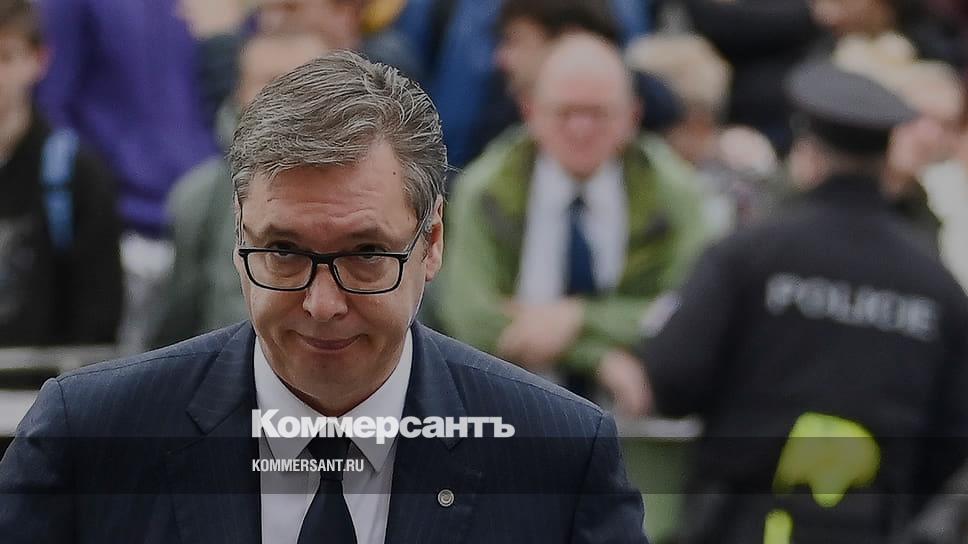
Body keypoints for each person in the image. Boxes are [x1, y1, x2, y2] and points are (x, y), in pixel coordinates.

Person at [0, 50, 648, 543]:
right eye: (283, 252)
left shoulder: (556, 456)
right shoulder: (89, 439)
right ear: (238, 237)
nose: (322, 303)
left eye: (366, 255)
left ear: (432, 243)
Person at [633, 61, 968, 543]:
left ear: (808, 152)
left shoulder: (747, 256)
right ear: (885, 158)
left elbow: (672, 376)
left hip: (738, 522)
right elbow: (953, 438)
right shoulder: (937, 286)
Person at [439, 34, 710, 415]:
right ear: (530, 111)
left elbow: (688, 313)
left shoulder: (674, 194)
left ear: (632, 116)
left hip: (637, 412)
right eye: (564, 112)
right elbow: (470, 318)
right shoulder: (486, 189)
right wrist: (598, 357)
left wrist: (576, 317)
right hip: (511, 406)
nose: (580, 129)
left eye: (598, 114)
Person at [149, 32, 329, 348]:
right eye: (271, 81)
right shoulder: (198, 198)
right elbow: (177, 319)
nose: (288, 99)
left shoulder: (380, 193)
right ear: (238, 93)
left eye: (303, 82)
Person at [0, 0, 122, 347]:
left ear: (38, 59)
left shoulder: (75, 174)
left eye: (5, 57)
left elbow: (99, 314)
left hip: (45, 375)